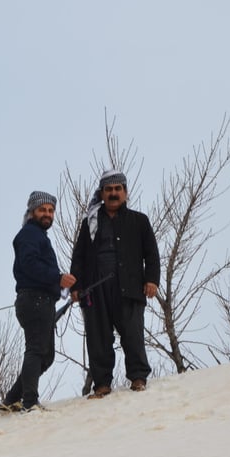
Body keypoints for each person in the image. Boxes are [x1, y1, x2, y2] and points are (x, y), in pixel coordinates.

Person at [70, 169, 160, 398]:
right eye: (108, 189)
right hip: (95, 290)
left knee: (132, 334)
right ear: (101, 193)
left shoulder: (139, 221)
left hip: (129, 287)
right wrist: (75, 287)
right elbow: (78, 257)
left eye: (118, 189)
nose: (113, 193)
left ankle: (138, 378)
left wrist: (151, 280)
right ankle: (101, 384)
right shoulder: (89, 223)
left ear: (125, 193)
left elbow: (151, 253)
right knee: (98, 337)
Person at [0, 191, 76, 413]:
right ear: (32, 211)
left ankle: (12, 399)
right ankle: (30, 402)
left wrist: (60, 285)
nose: (47, 214)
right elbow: (29, 264)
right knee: (36, 350)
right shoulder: (30, 234)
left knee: (46, 356)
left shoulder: (38, 235)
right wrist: (57, 278)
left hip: (41, 300)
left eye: (51, 211)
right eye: (42, 209)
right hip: (34, 299)